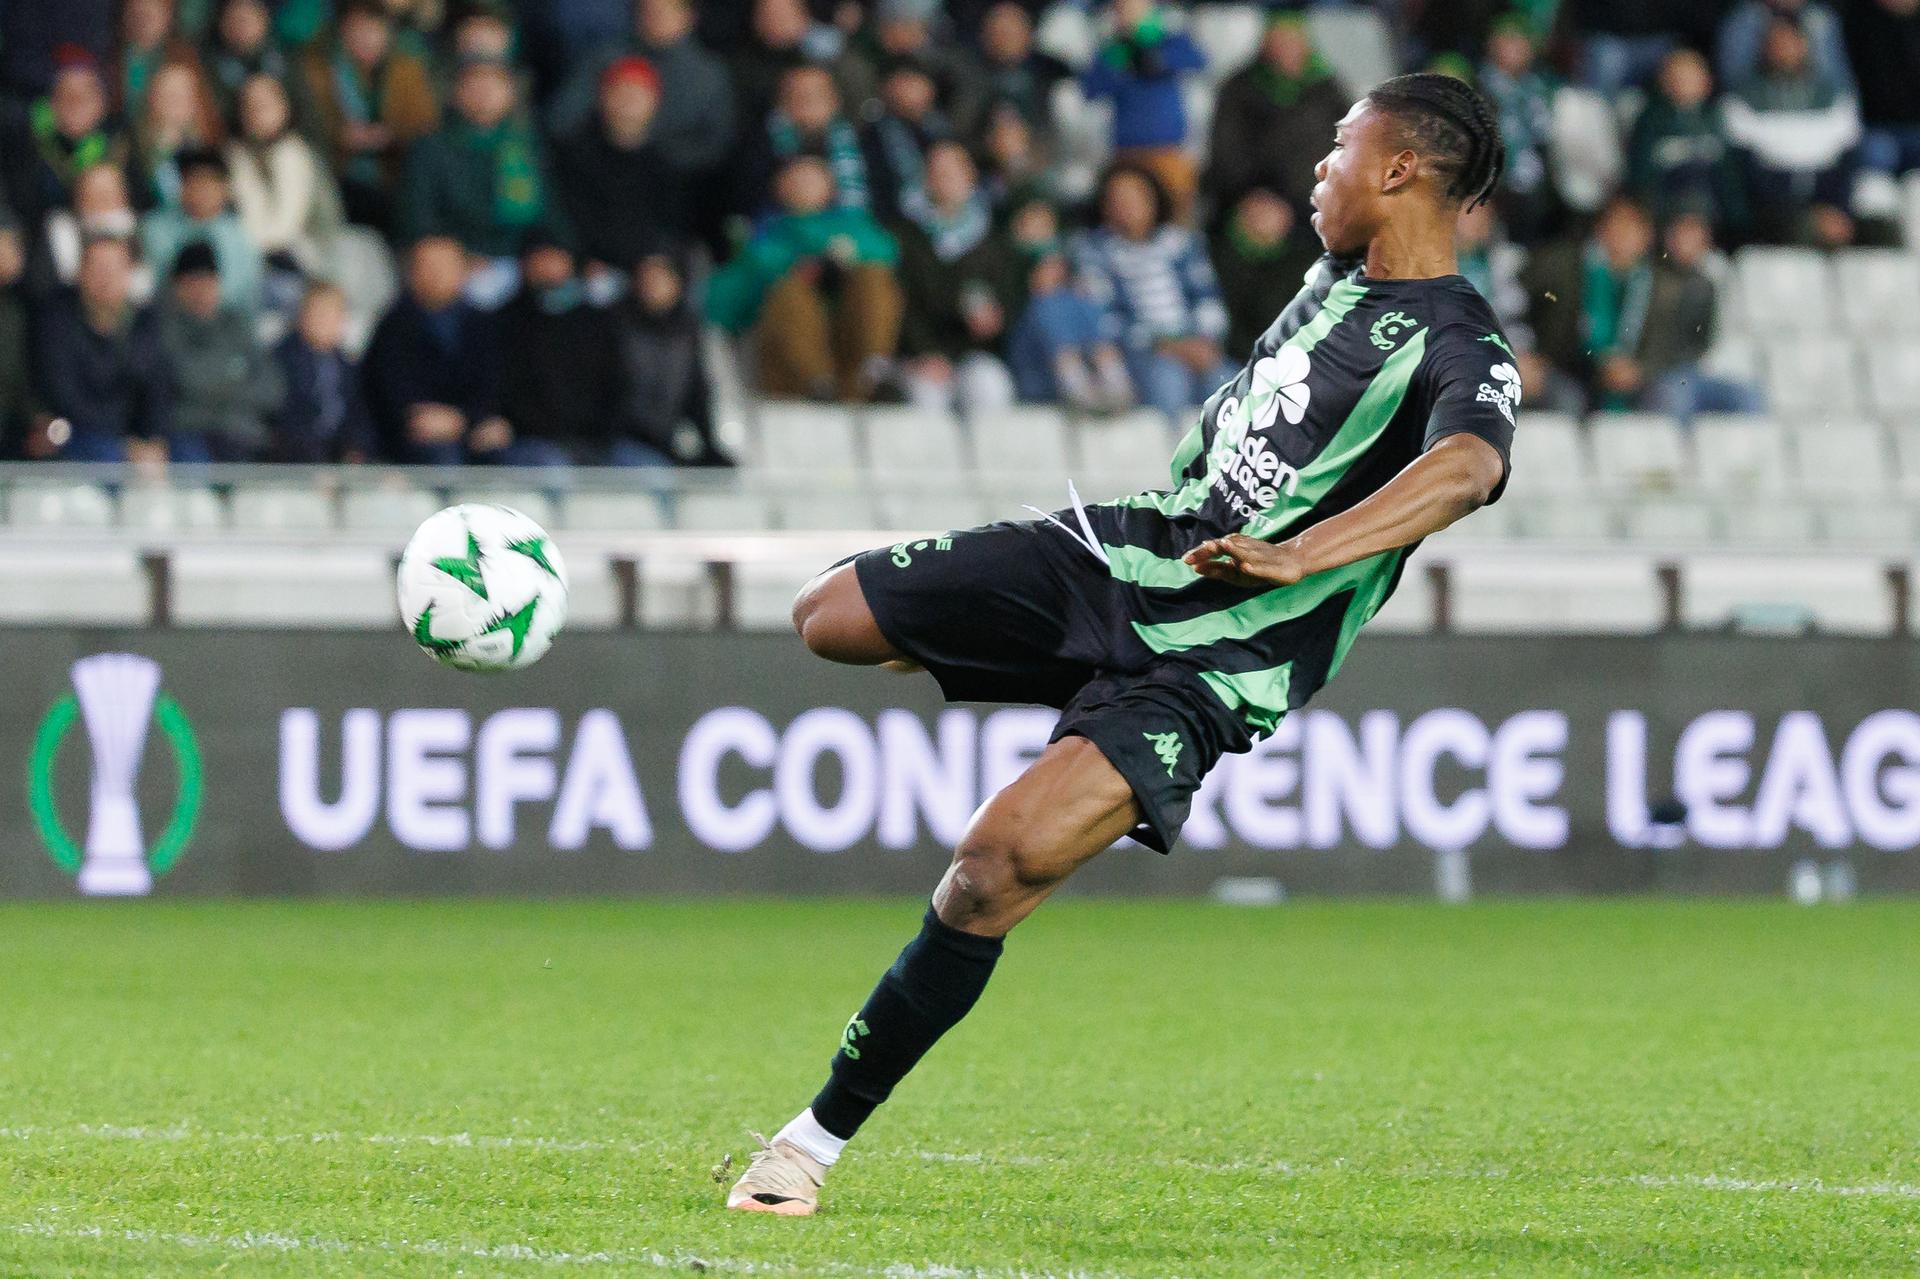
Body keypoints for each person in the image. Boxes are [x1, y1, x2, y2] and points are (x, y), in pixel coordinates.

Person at [726, 72, 1516, 1216]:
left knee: (991, 868)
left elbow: (1469, 466)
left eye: (1339, 147)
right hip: (1129, 554)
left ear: (1398, 170)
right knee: (828, 616)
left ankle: (805, 1147)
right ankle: (1020, 665)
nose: (1317, 167)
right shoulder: (1330, 280)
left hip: (1217, 662)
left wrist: (1304, 553)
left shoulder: (1463, 340)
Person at [704, 153, 902, 402]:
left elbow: (888, 253)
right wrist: (792, 268)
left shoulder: (855, 226)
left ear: (830, 188)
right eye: (796, 177)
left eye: (812, 178)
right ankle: (817, 383)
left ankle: (874, 371)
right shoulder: (762, 238)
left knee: (873, 276)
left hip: (850, 353)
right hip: (789, 375)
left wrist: (842, 257)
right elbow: (719, 303)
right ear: (779, 186)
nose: (803, 184)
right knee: (789, 292)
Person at [1074, 161, 1234, 418]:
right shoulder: (1095, 253)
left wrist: (1205, 342)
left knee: (1233, 384)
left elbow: (1208, 301)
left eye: (1135, 197)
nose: (1127, 207)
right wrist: (1166, 346)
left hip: (1195, 344)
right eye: (1117, 200)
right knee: (1170, 382)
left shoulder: (1181, 245)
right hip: (1142, 354)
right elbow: (1106, 320)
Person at [399, 49, 562, 301]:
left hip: (518, 259)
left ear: (510, 92)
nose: (484, 91)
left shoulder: (529, 146)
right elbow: (418, 219)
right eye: (474, 82)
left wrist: (548, 251)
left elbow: (552, 215)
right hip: (457, 261)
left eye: (495, 82)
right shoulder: (432, 147)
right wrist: (462, 257)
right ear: (455, 92)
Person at [892, 140, 1020, 418]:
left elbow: (1008, 300)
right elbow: (903, 303)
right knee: (925, 397)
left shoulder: (992, 241)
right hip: (919, 357)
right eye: (936, 171)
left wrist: (996, 320)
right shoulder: (905, 237)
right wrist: (924, 353)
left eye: (952, 171)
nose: (944, 179)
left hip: (971, 354)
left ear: (970, 177)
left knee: (990, 385)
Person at [360, 234, 510, 463]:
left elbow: (496, 384)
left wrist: (468, 420)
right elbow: (387, 391)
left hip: (479, 430)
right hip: (413, 438)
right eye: (428, 266)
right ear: (412, 273)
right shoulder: (394, 325)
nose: (436, 274)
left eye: (445, 266)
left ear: (463, 270)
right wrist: (423, 419)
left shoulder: (484, 324)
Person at [296, 0, 439, 232]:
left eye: (373, 30)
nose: (365, 38)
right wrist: (339, 136)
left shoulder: (408, 71)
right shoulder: (319, 70)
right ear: (342, 31)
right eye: (357, 29)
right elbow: (306, 123)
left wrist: (391, 136)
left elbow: (425, 128)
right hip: (336, 175)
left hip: (394, 179)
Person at [1722, 12, 1863, 245]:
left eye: (1791, 42)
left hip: (1828, 203)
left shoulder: (1834, 96)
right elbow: (1740, 167)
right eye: (1777, 43)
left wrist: (1837, 207)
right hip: (1769, 208)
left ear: (1804, 45)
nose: (1784, 50)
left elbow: (1848, 156)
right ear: (1764, 47)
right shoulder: (1742, 98)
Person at [546, 0, 736, 173]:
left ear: (689, 15)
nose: (654, 18)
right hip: (600, 172)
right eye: (647, 10)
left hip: (678, 184)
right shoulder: (605, 58)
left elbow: (717, 145)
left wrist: (655, 148)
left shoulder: (710, 75)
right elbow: (561, 121)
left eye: (664, 11)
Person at [30, 234, 172, 461]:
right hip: (71, 436)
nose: (105, 277)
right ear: (80, 272)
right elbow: (65, 398)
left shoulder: (145, 323)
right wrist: (124, 444)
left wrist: (152, 439)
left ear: (129, 274)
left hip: (128, 440)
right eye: (97, 267)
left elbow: (155, 390)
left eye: (114, 268)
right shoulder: (56, 320)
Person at [495, 231, 633, 465]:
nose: (548, 267)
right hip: (532, 441)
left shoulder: (596, 322)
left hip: (599, 442)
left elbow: (617, 385)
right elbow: (506, 389)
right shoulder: (506, 322)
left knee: (650, 473)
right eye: (541, 259)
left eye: (556, 258)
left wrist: (601, 433)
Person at [554, 56, 698, 277]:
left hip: (644, 272)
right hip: (585, 269)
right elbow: (568, 219)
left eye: (638, 94)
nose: (628, 101)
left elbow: (671, 227)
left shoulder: (666, 163)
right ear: (603, 96)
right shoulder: (575, 153)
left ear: (654, 102)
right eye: (621, 92)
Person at [1202, 13, 1347, 229]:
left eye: (1292, 41)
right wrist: (1252, 197)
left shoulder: (1328, 88)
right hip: (1252, 200)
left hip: (1317, 197)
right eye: (1278, 41)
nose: (1285, 49)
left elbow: (1348, 142)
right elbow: (1227, 152)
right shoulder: (1238, 88)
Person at [155, 240, 284, 460]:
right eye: (192, 282)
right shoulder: (162, 328)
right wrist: (234, 377)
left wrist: (217, 390)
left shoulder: (237, 325)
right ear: (177, 286)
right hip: (189, 436)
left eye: (208, 281)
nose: (201, 291)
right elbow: (187, 379)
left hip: (243, 436)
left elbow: (272, 389)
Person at [1080, 0, 1206, 218]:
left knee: (1175, 219)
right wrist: (1121, 59)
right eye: (1121, 9)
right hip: (1126, 153)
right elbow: (1091, 88)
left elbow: (1197, 60)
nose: (1127, 15)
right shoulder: (1114, 49)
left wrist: (1154, 53)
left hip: (1167, 152)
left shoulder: (1170, 39)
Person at [610, 252, 729, 465]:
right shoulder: (616, 327)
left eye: (661, 278)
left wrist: (708, 443)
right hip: (621, 441)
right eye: (647, 278)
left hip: (665, 439)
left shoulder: (687, 333)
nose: (653, 286)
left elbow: (697, 392)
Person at [227, 72, 343, 285]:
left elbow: (288, 227)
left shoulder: (299, 154)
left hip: (307, 261)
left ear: (284, 108)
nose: (256, 113)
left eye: (264, 105)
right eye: (249, 106)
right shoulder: (234, 157)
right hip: (250, 262)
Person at [1625, 49, 1748, 234]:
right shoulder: (1650, 120)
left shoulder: (1717, 118)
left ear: (1706, 82)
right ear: (1663, 82)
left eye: (1689, 79)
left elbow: (1729, 178)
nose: (1682, 85)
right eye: (1676, 78)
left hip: (1711, 214)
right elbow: (1640, 174)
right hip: (1664, 211)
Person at [2, 51, 127, 224]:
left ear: (100, 105)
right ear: (52, 103)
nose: (75, 104)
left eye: (85, 96)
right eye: (66, 95)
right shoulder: (24, 144)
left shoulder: (118, 148)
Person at [139, 145, 263, 315]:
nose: (203, 190)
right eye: (195, 181)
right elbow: (154, 284)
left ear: (225, 189)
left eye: (210, 182)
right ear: (182, 186)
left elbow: (244, 295)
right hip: (166, 321)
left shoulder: (241, 235)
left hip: (225, 324)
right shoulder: (154, 228)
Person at [1207, 188, 1322, 361]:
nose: (1263, 218)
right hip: (1227, 357)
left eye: (1272, 210)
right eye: (1257, 209)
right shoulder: (1214, 255)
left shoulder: (1303, 264)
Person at [273, 280, 372, 462]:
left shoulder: (348, 366)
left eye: (331, 315)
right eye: (318, 314)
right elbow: (285, 415)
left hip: (339, 450)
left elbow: (359, 415)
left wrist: (356, 448)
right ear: (302, 317)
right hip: (298, 453)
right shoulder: (281, 359)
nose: (323, 322)